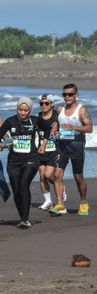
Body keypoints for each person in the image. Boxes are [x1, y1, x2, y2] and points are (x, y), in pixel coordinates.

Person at [0, 97, 49, 228]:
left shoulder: (35, 120)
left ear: (30, 110)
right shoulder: (10, 121)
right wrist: (3, 145)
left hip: (31, 159)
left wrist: (43, 144)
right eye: (20, 109)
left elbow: (48, 129)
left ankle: (26, 219)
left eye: (25, 110)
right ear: (17, 109)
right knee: (16, 189)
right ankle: (22, 217)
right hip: (13, 161)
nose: (22, 112)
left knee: (23, 184)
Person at [50, 84, 93, 216]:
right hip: (62, 147)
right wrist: (54, 130)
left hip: (76, 147)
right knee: (57, 175)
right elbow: (57, 121)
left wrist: (73, 127)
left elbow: (89, 128)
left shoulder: (81, 110)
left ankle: (83, 202)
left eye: (70, 94)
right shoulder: (60, 109)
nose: (67, 97)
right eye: (65, 94)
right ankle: (60, 204)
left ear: (76, 95)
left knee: (78, 177)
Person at [36, 94, 61, 210]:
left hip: (54, 151)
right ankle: (48, 201)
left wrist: (58, 134)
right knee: (42, 176)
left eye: (47, 103)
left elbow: (64, 131)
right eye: (41, 103)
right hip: (41, 151)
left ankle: (61, 187)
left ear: (52, 104)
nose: (44, 105)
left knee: (48, 175)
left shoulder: (57, 116)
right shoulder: (38, 116)